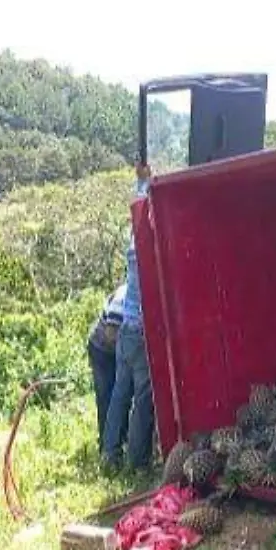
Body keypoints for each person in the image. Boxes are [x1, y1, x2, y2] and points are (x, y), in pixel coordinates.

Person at [101, 162, 156, 471]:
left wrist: (142, 184)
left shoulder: (134, 246)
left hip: (125, 329)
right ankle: (138, 462)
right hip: (142, 332)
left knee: (120, 394)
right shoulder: (150, 254)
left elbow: (139, 210)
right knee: (143, 399)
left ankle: (109, 454)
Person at [88, 283, 127, 450]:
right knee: (106, 397)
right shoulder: (123, 296)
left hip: (116, 348)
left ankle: (118, 441)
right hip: (102, 349)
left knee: (120, 397)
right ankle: (106, 447)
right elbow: (111, 334)